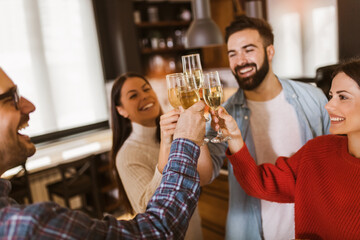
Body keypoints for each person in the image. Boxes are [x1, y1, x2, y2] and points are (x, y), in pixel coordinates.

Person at [0, 67, 206, 239]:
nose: (30, 106)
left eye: (147, 89)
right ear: (121, 110)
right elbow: (157, 231)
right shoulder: (25, 225)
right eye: (12, 98)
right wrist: (185, 141)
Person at [200, 15, 330, 239]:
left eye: (248, 50)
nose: (240, 60)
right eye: (233, 53)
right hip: (251, 232)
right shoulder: (224, 114)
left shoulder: (313, 98)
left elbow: (335, 157)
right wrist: (193, 132)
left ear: (270, 51)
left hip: (312, 228)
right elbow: (204, 174)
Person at [214, 58, 360, 239]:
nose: (328, 105)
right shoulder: (317, 150)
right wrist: (234, 137)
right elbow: (259, 183)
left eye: (343, 97)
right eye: (331, 96)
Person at [110, 73, 208, 239]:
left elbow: (203, 178)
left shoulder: (175, 133)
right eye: (133, 96)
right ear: (121, 110)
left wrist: (195, 131)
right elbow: (147, 211)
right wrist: (166, 146)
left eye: (147, 89)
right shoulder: (127, 155)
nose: (145, 96)